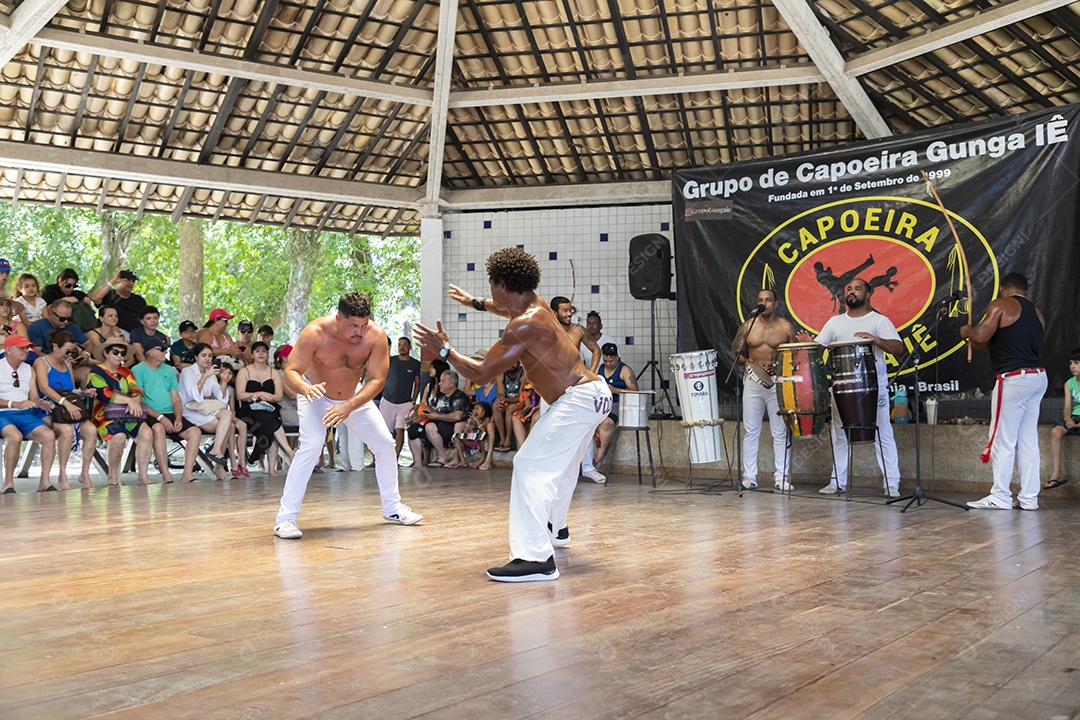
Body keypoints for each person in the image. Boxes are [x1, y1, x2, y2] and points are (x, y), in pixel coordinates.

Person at [417, 249, 611, 582]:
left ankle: (535, 559)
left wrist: (445, 350)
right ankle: (557, 529)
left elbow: (479, 373)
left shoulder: (522, 326)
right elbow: (502, 305)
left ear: (503, 284)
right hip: (593, 395)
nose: (490, 292)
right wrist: (475, 303)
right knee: (562, 469)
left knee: (529, 465)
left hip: (576, 400)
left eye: (490, 286)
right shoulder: (536, 303)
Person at [273, 292, 422, 540]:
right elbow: (292, 371)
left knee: (385, 445)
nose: (359, 332)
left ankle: (393, 509)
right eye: (353, 325)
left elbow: (377, 380)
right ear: (338, 318)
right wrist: (307, 389)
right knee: (310, 447)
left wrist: (348, 406)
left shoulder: (375, 336)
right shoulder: (315, 332)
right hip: (315, 395)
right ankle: (285, 519)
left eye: (364, 325)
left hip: (353, 398)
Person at [796, 278, 903, 497]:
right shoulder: (835, 322)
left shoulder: (879, 320)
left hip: (873, 387)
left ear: (868, 294)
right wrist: (810, 342)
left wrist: (875, 339)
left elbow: (898, 348)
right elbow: (818, 347)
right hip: (841, 388)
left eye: (857, 288)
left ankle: (892, 483)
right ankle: (837, 481)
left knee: (883, 432)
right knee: (838, 433)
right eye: (849, 289)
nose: (852, 292)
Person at [960, 273, 1046, 510]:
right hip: (1037, 378)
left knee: (1002, 439)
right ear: (1026, 290)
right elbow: (988, 341)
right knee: (1028, 440)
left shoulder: (1000, 304)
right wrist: (974, 338)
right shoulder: (1037, 314)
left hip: (1013, 379)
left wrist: (968, 331)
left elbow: (979, 335)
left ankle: (1000, 496)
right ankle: (1029, 499)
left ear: (1002, 289)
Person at [730, 289, 796, 491]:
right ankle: (749, 477)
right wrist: (747, 360)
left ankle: (782, 477)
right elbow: (734, 353)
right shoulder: (748, 326)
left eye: (768, 300)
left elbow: (796, 355)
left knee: (779, 431)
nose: (764, 303)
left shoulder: (786, 327)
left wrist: (780, 363)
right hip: (753, 380)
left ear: (776, 303)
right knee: (751, 430)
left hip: (777, 381)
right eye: (760, 300)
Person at [131, 334, 205, 484]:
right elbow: (139, 401)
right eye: (162, 349)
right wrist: (160, 417)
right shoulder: (137, 370)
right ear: (151, 352)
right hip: (149, 413)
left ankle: (187, 474)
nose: (166, 352)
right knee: (158, 428)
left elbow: (176, 398)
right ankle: (166, 474)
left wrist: (178, 417)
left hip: (170, 413)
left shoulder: (169, 370)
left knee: (195, 432)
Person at [32, 329, 97, 490]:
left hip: (68, 407)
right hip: (47, 407)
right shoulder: (42, 362)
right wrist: (65, 403)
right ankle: (62, 474)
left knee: (91, 430)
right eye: (67, 350)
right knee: (66, 431)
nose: (69, 354)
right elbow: (44, 388)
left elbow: (71, 390)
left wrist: (83, 392)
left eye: (72, 351)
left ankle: (84, 473)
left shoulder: (67, 363)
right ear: (55, 346)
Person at [86, 337, 156, 486]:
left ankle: (143, 476)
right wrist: (129, 400)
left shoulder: (126, 371)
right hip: (103, 415)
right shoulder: (96, 372)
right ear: (106, 353)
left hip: (128, 413)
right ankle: (112, 476)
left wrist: (135, 400)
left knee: (147, 433)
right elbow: (104, 394)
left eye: (122, 353)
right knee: (119, 437)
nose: (119, 356)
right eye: (115, 352)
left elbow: (136, 390)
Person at [0, 334, 57, 492]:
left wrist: (40, 402)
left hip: (24, 414)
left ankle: (45, 482)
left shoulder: (28, 369)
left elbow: (33, 396)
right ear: (9, 350)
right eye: (22, 348)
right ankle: (9, 484)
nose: (26, 351)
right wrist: (15, 404)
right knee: (15, 436)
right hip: (2, 414)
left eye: (27, 347)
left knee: (49, 435)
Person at [582, 343, 640, 482]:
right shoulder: (599, 369)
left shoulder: (625, 370)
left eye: (611, 361)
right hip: (600, 403)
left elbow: (636, 391)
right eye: (606, 361)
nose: (608, 364)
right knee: (585, 423)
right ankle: (583, 463)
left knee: (607, 423)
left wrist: (616, 390)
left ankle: (598, 461)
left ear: (617, 357)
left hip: (617, 403)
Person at [178, 343, 234, 478]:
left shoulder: (211, 373)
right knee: (230, 427)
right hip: (191, 411)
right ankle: (218, 465)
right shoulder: (188, 372)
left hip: (206, 409)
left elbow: (222, 399)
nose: (207, 359)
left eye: (210, 356)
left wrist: (224, 381)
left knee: (227, 413)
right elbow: (194, 395)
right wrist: (204, 377)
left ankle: (216, 450)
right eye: (203, 355)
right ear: (196, 357)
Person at [235, 341, 288, 471]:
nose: (261, 353)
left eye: (263, 351)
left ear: (267, 355)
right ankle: (288, 452)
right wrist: (258, 394)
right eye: (257, 351)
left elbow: (278, 396)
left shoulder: (273, 372)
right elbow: (240, 395)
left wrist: (268, 397)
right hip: (249, 410)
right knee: (272, 423)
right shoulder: (244, 371)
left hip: (269, 408)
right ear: (252, 355)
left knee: (271, 419)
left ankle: (266, 465)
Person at [407, 370, 471, 467]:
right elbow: (434, 410)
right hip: (437, 426)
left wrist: (437, 416)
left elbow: (457, 416)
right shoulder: (441, 396)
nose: (439, 383)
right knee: (413, 430)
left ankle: (442, 457)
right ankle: (418, 463)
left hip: (451, 428)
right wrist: (422, 415)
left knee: (430, 427)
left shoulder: (459, 396)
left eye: (443, 381)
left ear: (451, 384)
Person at [379, 337, 422, 461]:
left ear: (410, 347)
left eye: (404, 345)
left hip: (404, 403)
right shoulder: (390, 360)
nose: (401, 347)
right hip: (387, 400)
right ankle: (380, 459)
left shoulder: (415, 364)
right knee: (384, 432)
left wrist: (413, 401)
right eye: (399, 344)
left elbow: (417, 383)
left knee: (400, 430)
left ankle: (394, 459)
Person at [1045, 349, 1080, 490]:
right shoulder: (1069, 383)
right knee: (1055, 432)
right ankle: (1057, 472)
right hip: (1075, 416)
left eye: (1076, 363)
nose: (1072, 366)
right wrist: (1067, 418)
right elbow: (1067, 406)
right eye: (1070, 363)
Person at [550, 295, 601, 373]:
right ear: (554, 313)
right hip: (554, 377)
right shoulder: (547, 331)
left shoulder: (578, 330)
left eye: (570, 310)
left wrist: (591, 373)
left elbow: (596, 350)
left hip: (574, 377)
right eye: (565, 310)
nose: (569, 314)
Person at [89, 269, 147, 334]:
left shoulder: (139, 300)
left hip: (136, 336)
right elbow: (95, 298)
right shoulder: (109, 294)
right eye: (127, 280)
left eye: (133, 281)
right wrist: (113, 281)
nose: (130, 283)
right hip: (114, 334)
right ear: (119, 280)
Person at [43, 268, 97, 333]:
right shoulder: (50, 290)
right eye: (68, 285)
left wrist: (87, 301)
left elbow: (90, 303)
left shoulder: (77, 294)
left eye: (74, 286)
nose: (71, 288)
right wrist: (63, 300)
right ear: (60, 281)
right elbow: (48, 310)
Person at [450, 401, 493, 469]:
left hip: (483, 443)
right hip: (473, 443)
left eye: (477, 409)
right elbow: (465, 433)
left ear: (483, 411)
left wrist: (477, 421)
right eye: (474, 409)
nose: (475, 411)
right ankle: (462, 460)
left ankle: (482, 459)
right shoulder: (473, 421)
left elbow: (483, 431)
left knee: (481, 436)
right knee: (456, 437)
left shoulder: (486, 419)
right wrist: (469, 423)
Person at [492, 361, 523, 452]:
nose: (511, 365)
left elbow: (520, 397)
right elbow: (500, 393)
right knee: (496, 406)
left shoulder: (523, 374)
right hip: (507, 401)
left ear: (518, 363)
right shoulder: (501, 374)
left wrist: (507, 400)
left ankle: (508, 440)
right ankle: (502, 438)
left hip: (519, 403)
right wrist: (499, 400)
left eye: (514, 362)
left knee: (510, 408)